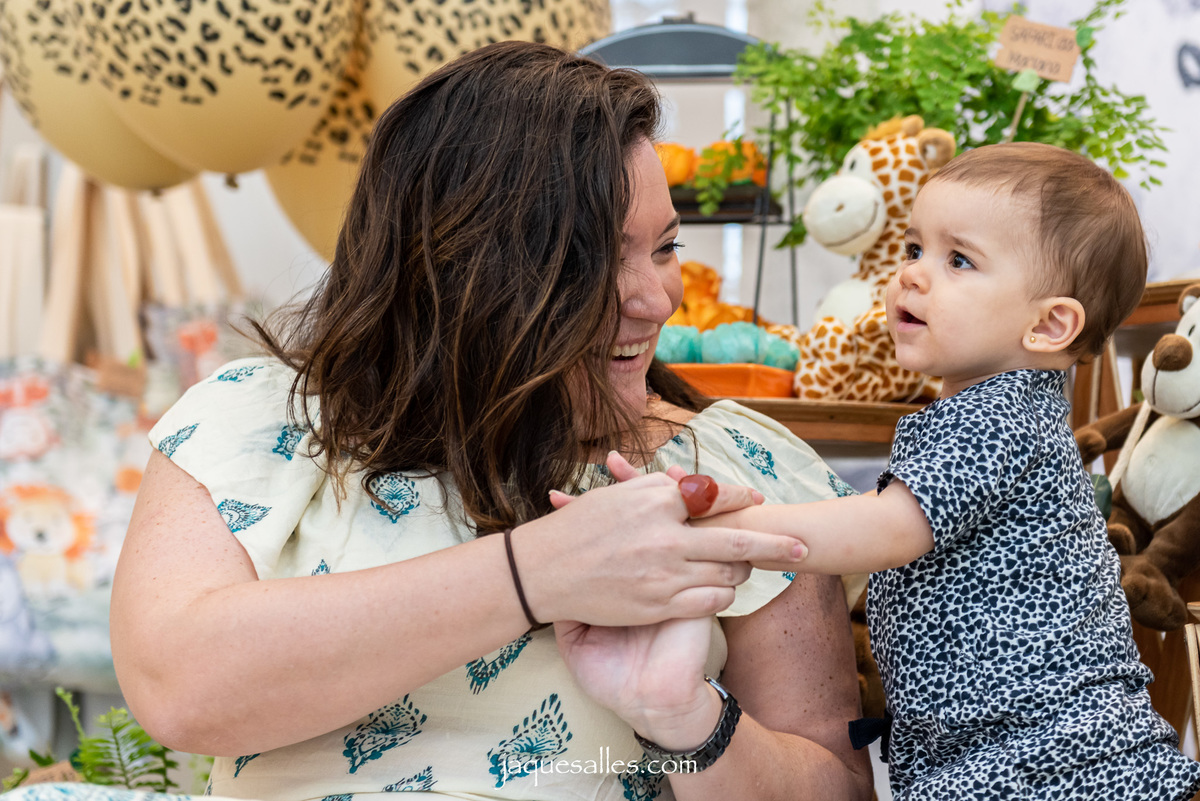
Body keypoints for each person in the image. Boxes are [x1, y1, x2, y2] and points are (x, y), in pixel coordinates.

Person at [89, 42, 874, 801]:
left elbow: (837, 789)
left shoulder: (734, 468)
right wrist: (538, 572)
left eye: (664, 247)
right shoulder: (257, 419)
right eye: (595, 261)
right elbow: (175, 686)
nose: (656, 297)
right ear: (456, 270)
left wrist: (688, 718)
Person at [698, 142, 1200, 799]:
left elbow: (886, 529)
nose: (911, 275)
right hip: (1023, 761)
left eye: (958, 259)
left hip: (1052, 766)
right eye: (913, 248)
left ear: (1049, 324)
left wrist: (730, 529)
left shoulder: (998, 419)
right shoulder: (997, 413)